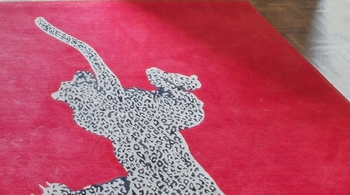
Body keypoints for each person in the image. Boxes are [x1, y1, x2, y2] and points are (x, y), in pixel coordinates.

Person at [34, 18, 223, 195]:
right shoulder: (112, 115)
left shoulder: (116, 114)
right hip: (162, 178)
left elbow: (103, 75)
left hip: (166, 177)